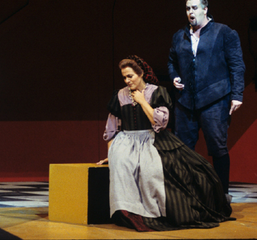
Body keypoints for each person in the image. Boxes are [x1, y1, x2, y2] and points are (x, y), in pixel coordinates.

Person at [97, 55, 233, 231]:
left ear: (141, 74)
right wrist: (111, 154)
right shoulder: (120, 95)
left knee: (167, 170)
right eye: (124, 77)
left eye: (130, 76)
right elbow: (111, 128)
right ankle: (130, 212)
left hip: (153, 138)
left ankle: (163, 210)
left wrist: (142, 101)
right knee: (124, 168)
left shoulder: (157, 91)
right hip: (126, 142)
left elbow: (160, 123)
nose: (127, 80)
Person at [168, 0, 245, 201]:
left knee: (217, 146)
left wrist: (237, 94)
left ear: (205, 9)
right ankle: (187, 195)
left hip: (215, 99)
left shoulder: (223, 32)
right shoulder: (180, 35)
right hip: (185, 101)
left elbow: (237, 65)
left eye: (194, 8)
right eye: (187, 9)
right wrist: (174, 76)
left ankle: (221, 196)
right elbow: (171, 61)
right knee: (183, 148)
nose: (190, 12)